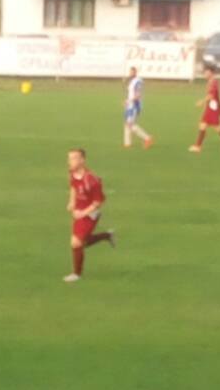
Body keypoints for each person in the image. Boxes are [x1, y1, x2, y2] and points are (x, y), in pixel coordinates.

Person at [64, 148, 114, 282]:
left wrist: (82, 213)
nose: (69, 161)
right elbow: (73, 186)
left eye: (73, 158)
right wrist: (71, 202)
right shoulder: (72, 173)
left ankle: (76, 274)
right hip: (78, 212)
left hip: (90, 214)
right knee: (81, 243)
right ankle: (107, 235)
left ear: (82, 160)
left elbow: (98, 202)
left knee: (76, 243)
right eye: (69, 158)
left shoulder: (91, 180)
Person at [189, 64, 220, 153]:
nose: (204, 74)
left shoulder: (213, 82)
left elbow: (211, 95)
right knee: (203, 125)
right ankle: (197, 146)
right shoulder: (211, 81)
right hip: (210, 106)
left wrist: (201, 102)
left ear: (211, 72)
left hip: (212, 107)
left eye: (206, 72)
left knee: (217, 127)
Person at [123, 66, 153, 149]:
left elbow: (138, 95)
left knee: (130, 124)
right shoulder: (131, 81)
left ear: (136, 72)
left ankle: (147, 138)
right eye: (130, 72)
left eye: (132, 72)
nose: (130, 73)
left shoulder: (138, 81)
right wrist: (127, 101)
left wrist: (129, 101)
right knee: (127, 123)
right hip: (129, 105)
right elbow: (130, 93)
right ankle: (127, 143)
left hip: (134, 105)